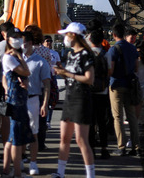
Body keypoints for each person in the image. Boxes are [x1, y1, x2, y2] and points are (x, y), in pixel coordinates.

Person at [51, 22, 95, 178]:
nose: (64, 38)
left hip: (81, 98)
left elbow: (89, 79)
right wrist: (61, 72)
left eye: (66, 34)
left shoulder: (86, 55)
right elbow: (71, 76)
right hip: (70, 97)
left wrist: (67, 74)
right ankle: (60, 172)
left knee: (81, 139)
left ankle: (90, 174)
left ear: (74, 35)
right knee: (64, 138)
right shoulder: (71, 54)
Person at [0, 30, 33, 178]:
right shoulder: (10, 58)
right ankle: (17, 173)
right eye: (16, 38)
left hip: (17, 97)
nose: (20, 41)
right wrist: (20, 56)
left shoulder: (10, 57)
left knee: (12, 137)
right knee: (16, 139)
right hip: (16, 100)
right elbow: (26, 72)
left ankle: (7, 170)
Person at [108, 23, 140, 157]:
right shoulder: (133, 49)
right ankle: (136, 147)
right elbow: (137, 68)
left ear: (114, 35)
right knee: (132, 116)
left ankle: (122, 147)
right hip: (130, 85)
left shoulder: (113, 50)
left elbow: (111, 70)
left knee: (118, 117)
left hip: (116, 85)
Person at [21, 30, 51, 175]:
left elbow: (47, 84)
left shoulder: (40, 61)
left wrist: (44, 104)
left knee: (33, 133)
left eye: (23, 42)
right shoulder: (15, 59)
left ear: (30, 43)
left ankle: (33, 163)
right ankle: (20, 159)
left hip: (33, 99)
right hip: (18, 100)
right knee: (19, 132)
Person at [87, 28, 111, 159]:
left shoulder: (86, 54)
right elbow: (110, 72)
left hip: (89, 92)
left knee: (90, 122)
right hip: (103, 91)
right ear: (102, 40)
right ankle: (104, 149)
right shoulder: (106, 54)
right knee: (102, 121)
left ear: (90, 40)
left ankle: (91, 149)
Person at [0, 21, 15, 148]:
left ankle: (6, 145)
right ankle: (20, 150)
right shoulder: (22, 44)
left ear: (2, 33)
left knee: (2, 114)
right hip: (20, 86)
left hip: (0, 84)